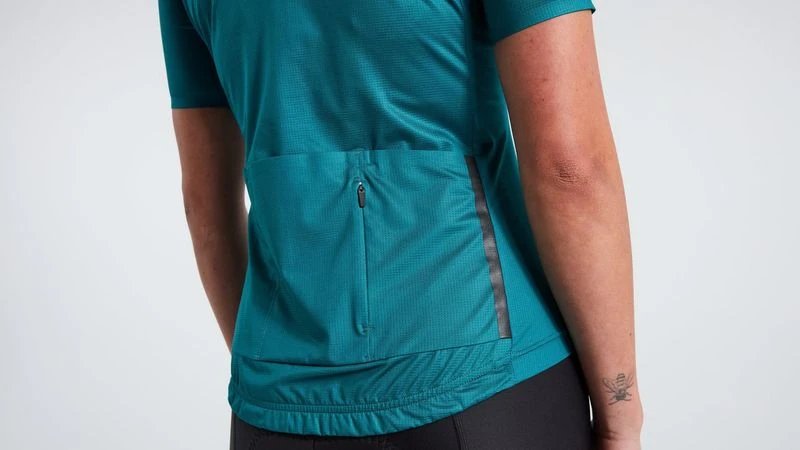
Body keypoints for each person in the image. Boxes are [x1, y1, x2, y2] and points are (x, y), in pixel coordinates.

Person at [158, 0, 643, 449]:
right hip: (490, 385)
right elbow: (570, 170)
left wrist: (280, 362)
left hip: (276, 404)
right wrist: (619, 414)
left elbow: (205, 203)